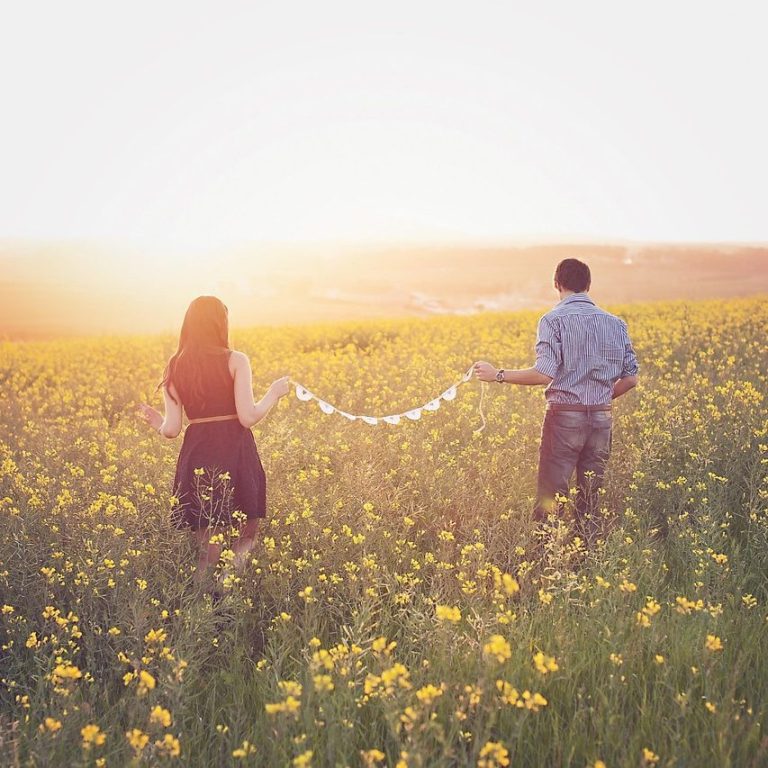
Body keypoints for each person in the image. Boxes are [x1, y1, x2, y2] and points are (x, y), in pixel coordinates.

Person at [474, 258, 639, 546]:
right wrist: (599, 398)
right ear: (588, 285)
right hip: (601, 420)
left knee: (551, 497)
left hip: (564, 420)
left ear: (557, 284)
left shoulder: (553, 320)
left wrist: (497, 374)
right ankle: (586, 558)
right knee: (590, 498)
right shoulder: (616, 323)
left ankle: (547, 558)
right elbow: (631, 379)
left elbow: (544, 373)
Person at [137, 296, 290, 592]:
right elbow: (248, 416)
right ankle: (225, 590)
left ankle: (201, 605)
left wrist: (157, 423)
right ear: (220, 323)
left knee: (207, 550)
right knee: (247, 534)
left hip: (197, 454)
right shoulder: (236, 360)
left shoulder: (175, 365)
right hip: (234, 451)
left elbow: (172, 429)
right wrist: (274, 392)